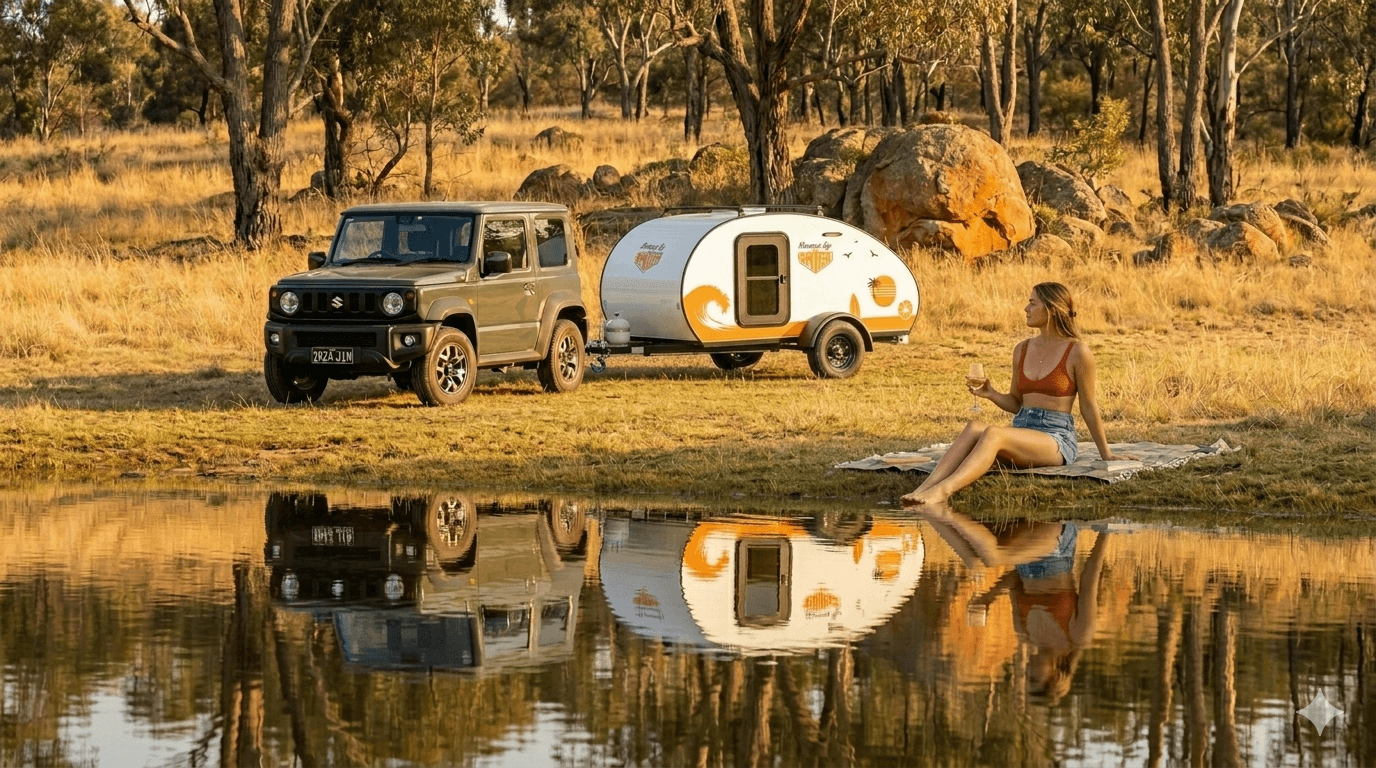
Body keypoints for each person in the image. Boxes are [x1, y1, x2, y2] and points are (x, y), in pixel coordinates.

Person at [902, 282, 1131, 506]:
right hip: (1021, 430)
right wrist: (991, 394)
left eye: (1032, 303)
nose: (1026, 309)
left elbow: (1088, 406)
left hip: (1055, 438)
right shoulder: (1021, 349)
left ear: (1051, 309)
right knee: (974, 427)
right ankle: (923, 489)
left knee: (993, 433)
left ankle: (943, 491)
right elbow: (1016, 403)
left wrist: (1106, 453)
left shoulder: (1077, 352)